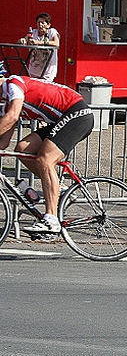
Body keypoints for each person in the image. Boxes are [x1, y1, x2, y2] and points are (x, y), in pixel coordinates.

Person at [0, 69, 94, 234]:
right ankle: (61, 189)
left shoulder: (13, 85)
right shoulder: (6, 101)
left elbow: (12, 117)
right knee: (23, 148)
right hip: (64, 117)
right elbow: (4, 142)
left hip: (77, 114)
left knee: (45, 160)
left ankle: (51, 219)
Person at [19, 13, 60, 82]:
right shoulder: (33, 32)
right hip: (33, 70)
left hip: (47, 71)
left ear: (48, 25)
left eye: (43, 23)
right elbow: (25, 39)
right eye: (38, 23)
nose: (40, 25)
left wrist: (39, 43)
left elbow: (56, 43)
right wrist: (22, 40)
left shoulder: (51, 32)